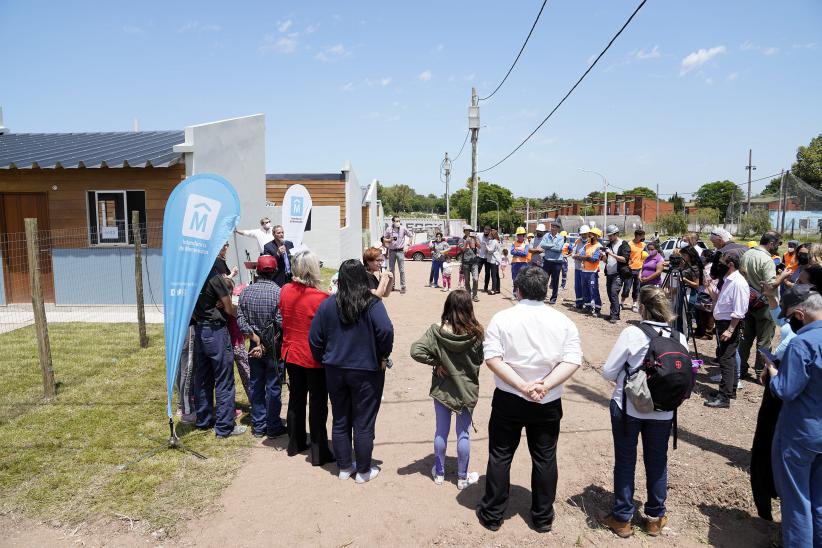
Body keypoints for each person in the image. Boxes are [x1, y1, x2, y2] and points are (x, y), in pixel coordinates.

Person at [476, 266, 582, 533]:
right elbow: (572, 360)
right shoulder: (563, 321)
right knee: (545, 458)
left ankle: (492, 515)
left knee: (500, 455)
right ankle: (543, 517)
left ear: (518, 289)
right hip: (547, 400)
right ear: (545, 290)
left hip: (510, 397)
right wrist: (543, 385)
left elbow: (492, 359)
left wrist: (524, 386)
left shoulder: (503, 318)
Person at [599, 286, 687, 538]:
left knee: (626, 461)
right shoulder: (678, 337)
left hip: (629, 408)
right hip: (663, 410)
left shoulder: (632, 333)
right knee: (657, 462)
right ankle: (655, 517)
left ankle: (622, 518)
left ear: (642, 307)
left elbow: (608, 371)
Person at [309, 260, 394, 483]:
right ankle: (364, 471)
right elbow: (386, 331)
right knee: (363, 422)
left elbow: (314, 339)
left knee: (341, 419)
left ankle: (345, 467)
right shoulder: (372, 303)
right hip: (367, 370)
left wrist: (324, 359)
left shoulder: (328, 304)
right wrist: (383, 356)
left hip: (335, 369)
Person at [762, 285, 822, 547]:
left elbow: (786, 390)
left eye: (790, 317)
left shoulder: (802, 343)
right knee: (819, 499)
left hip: (801, 432)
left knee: (797, 499)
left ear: (800, 313)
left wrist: (774, 375)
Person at [410, 290, 484, 489]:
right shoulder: (477, 332)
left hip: (443, 389)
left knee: (441, 431)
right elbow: (479, 359)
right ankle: (462, 478)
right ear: (469, 308)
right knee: (463, 434)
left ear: (448, 306)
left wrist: (437, 362)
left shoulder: (437, 330)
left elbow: (415, 350)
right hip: (466, 390)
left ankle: (440, 474)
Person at [279, 251, 335, 465]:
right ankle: (319, 451)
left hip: (291, 352)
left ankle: (295, 442)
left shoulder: (284, 290)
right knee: (318, 403)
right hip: (314, 357)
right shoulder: (320, 298)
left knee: (296, 399)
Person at [192, 251, 246, 438]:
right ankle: (224, 427)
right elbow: (230, 308)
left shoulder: (193, 278)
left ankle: (203, 420)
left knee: (203, 378)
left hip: (200, 330)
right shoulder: (215, 279)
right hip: (216, 332)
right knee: (224, 379)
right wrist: (233, 309)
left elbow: (189, 309)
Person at [236, 255, 286, 439]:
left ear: (257, 271)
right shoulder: (279, 293)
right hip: (273, 347)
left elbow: (240, 318)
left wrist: (254, 337)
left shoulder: (246, 292)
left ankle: (258, 426)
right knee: (273, 386)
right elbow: (280, 323)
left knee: (256, 384)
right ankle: (273, 426)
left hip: (253, 347)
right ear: (274, 272)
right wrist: (265, 344)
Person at [705, 251, 749, 408]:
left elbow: (740, 309)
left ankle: (724, 397)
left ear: (730, 265)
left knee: (726, 359)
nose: (719, 266)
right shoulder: (727, 280)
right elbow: (719, 298)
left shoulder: (738, 282)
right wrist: (709, 286)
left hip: (729, 325)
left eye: (722, 263)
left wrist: (731, 329)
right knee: (727, 358)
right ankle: (730, 391)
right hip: (723, 323)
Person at [738, 231, 779, 380]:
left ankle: (740, 369)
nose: (777, 247)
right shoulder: (767, 260)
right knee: (764, 341)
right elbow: (770, 285)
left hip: (747, 301)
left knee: (745, 338)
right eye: (777, 244)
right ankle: (760, 372)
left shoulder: (746, 255)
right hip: (764, 305)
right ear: (771, 243)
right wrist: (782, 277)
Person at [602, 225, 631, 324]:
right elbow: (606, 260)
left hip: (618, 274)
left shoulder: (624, 244)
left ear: (616, 234)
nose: (609, 238)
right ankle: (614, 313)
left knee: (614, 293)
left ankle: (614, 315)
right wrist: (603, 256)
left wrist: (611, 254)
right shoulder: (609, 245)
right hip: (609, 273)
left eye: (611, 235)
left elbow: (624, 259)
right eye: (608, 236)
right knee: (610, 294)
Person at [577, 227, 603, 316]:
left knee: (593, 290)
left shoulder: (599, 246)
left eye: (592, 235)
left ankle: (597, 308)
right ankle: (588, 307)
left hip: (592, 272)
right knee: (585, 290)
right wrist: (587, 257)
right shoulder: (587, 245)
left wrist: (586, 257)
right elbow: (580, 256)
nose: (590, 236)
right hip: (584, 271)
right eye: (590, 234)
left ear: (597, 236)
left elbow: (594, 260)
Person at [541, 221, 566, 305]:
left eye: (555, 227)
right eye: (552, 226)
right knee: (544, 280)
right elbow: (542, 245)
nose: (553, 228)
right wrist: (552, 245)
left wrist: (548, 246)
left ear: (558, 229)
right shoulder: (546, 235)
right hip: (547, 261)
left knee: (555, 281)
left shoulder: (561, 237)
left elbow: (559, 249)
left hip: (557, 263)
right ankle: (542, 296)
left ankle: (553, 298)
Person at [383, 216, 411, 294]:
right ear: (393, 222)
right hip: (391, 251)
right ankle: (392, 286)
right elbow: (384, 238)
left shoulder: (403, 228)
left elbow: (411, 235)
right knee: (391, 270)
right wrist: (389, 240)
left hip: (400, 251)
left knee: (401, 270)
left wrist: (408, 245)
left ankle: (403, 286)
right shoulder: (389, 229)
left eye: (399, 221)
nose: (398, 222)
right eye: (396, 221)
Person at [621, 230, 646, 313]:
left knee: (637, 288)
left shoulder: (643, 245)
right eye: (641, 236)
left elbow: (645, 257)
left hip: (639, 269)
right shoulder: (629, 244)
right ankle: (621, 303)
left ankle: (634, 304)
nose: (643, 238)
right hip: (630, 269)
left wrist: (642, 270)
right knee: (626, 288)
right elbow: (625, 256)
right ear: (636, 235)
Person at [571, 225, 590, 309]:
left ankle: (587, 303)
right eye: (582, 234)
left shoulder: (591, 242)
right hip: (578, 268)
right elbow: (572, 254)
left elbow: (590, 255)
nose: (583, 236)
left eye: (585, 234)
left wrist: (580, 255)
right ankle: (579, 302)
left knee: (585, 286)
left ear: (588, 234)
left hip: (587, 269)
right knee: (577, 286)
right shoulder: (577, 241)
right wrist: (577, 255)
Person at [459, 225, 480, 302]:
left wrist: (475, 240)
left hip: (474, 262)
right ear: (464, 231)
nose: (468, 232)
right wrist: (466, 242)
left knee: (475, 279)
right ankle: (468, 294)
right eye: (467, 230)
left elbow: (480, 247)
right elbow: (462, 249)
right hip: (466, 263)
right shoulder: (461, 240)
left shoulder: (474, 239)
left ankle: (475, 295)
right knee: (467, 281)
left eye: (469, 230)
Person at [484, 229, 502, 295]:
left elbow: (490, 250)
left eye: (490, 234)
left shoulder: (494, 241)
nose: (489, 235)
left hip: (493, 260)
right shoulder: (497, 241)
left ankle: (493, 290)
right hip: (496, 260)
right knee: (496, 275)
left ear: (492, 234)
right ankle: (497, 289)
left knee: (493, 275)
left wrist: (486, 245)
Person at [477, 226, 491, 292]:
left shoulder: (491, 237)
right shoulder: (479, 235)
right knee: (477, 272)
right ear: (484, 230)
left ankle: (486, 287)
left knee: (487, 273)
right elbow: (473, 236)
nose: (486, 231)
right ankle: (475, 286)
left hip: (488, 257)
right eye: (485, 229)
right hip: (480, 256)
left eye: (488, 230)